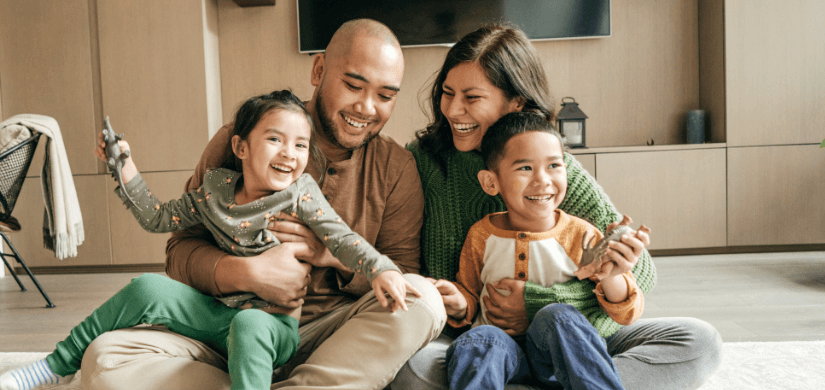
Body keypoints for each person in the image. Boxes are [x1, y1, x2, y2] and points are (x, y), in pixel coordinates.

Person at [78, 19, 446, 390]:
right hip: (226, 330)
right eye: (353, 85)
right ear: (318, 70)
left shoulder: (397, 168)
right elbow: (179, 251)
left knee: (424, 301)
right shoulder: (243, 139)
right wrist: (247, 274)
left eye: (385, 96)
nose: (367, 107)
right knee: (105, 359)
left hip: (330, 340)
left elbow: (401, 276)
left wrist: (330, 255)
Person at [0, 90, 421, 390]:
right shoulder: (213, 193)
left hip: (273, 327)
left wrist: (379, 268)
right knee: (146, 287)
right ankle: (54, 365)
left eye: (301, 145)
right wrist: (124, 169)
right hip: (216, 317)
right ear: (240, 146)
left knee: (251, 323)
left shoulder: (301, 194)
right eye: (275, 139)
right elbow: (159, 218)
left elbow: (343, 238)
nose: (290, 153)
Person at [391, 23, 722, 390]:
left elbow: (639, 274)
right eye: (448, 93)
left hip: (569, 336)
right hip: (480, 343)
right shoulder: (422, 162)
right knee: (413, 369)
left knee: (699, 342)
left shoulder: (553, 171)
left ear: (515, 101)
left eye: (472, 98)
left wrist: (537, 304)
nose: (453, 109)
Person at [441, 111, 651, 389]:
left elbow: (626, 314)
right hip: (501, 353)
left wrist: (612, 276)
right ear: (491, 182)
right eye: (525, 168)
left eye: (554, 165)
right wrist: (458, 304)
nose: (543, 180)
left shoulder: (582, 235)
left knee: (558, 316)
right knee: (476, 341)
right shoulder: (481, 234)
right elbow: (470, 294)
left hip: (557, 357)